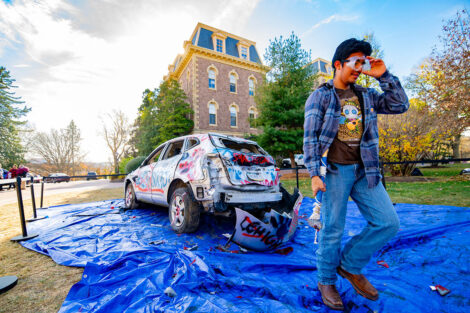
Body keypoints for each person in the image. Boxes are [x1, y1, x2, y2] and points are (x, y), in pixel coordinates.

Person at [303, 38, 409, 310]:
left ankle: (349, 265)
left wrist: (384, 76)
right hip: (334, 172)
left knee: (388, 222)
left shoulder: (367, 95)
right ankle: (326, 279)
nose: (360, 67)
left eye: (363, 62)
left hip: (365, 170)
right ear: (338, 64)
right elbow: (310, 138)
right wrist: (314, 173)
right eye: (355, 62)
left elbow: (400, 105)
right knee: (332, 228)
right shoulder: (321, 95)